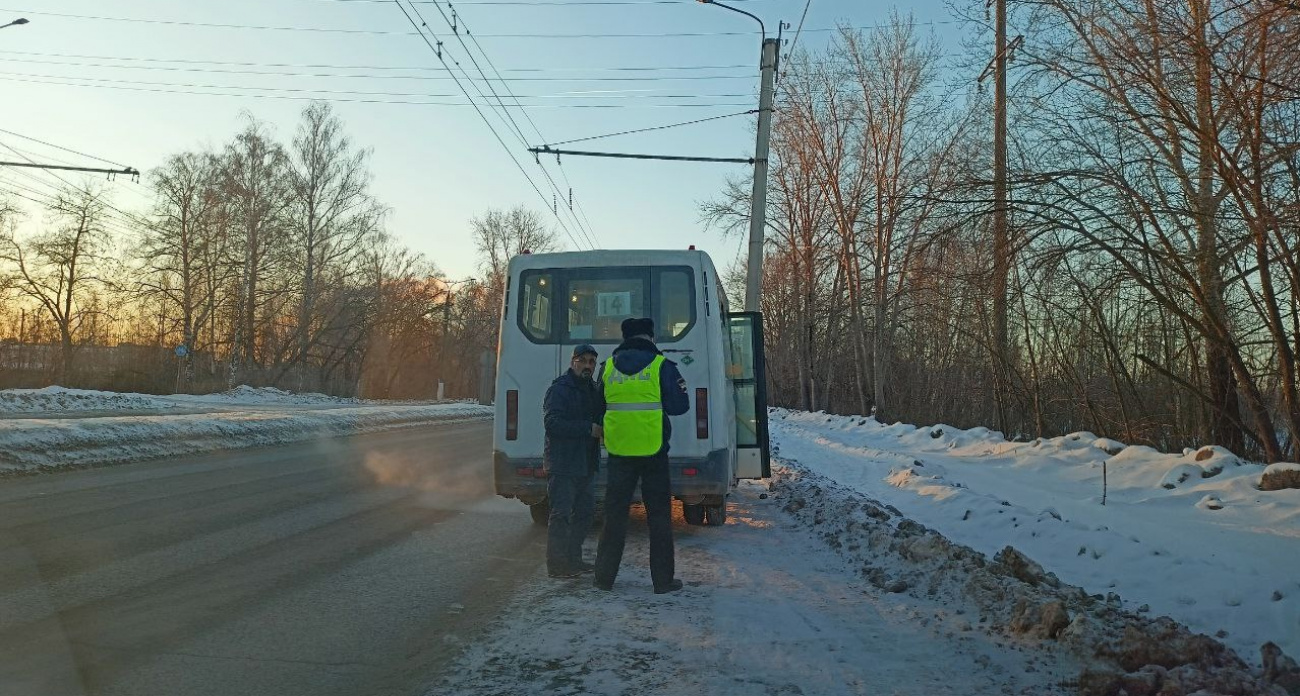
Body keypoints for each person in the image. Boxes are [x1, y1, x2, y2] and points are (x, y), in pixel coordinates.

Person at [593, 317, 690, 594]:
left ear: (625, 339)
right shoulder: (662, 366)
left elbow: (597, 407)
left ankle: (604, 578)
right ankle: (662, 581)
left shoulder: (607, 367)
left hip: (619, 453)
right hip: (653, 452)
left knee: (614, 517)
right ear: (650, 337)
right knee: (659, 518)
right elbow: (680, 406)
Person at [542, 343, 603, 578]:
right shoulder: (559, 389)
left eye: (592, 362)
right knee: (561, 515)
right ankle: (557, 566)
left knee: (585, 514)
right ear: (573, 362)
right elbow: (552, 423)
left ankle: (574, 560)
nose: (588, 366)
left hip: (586, 463)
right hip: (563, 464)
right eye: (584, 361)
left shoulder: (593, 389)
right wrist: (588, 429)